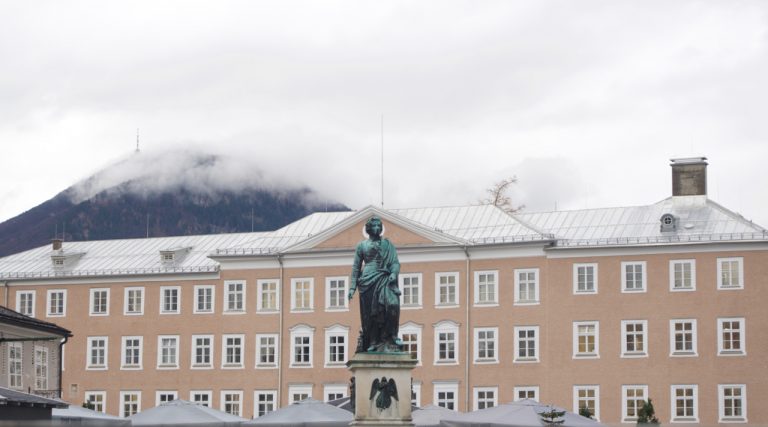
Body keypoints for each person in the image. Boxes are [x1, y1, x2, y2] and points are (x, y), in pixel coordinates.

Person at [348, 216, 402, 353]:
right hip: (367, 280)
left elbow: (395, 263)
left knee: (392, 304)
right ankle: (373, 341)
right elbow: (356, 267)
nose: (377, 228)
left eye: (379, 225)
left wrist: (393, 274)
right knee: (370, 314)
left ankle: (391, 336)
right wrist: (352, 287)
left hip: (385, 277)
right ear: (369, 228)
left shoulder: (388, 245)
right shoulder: (362, 245)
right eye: (375, 225)